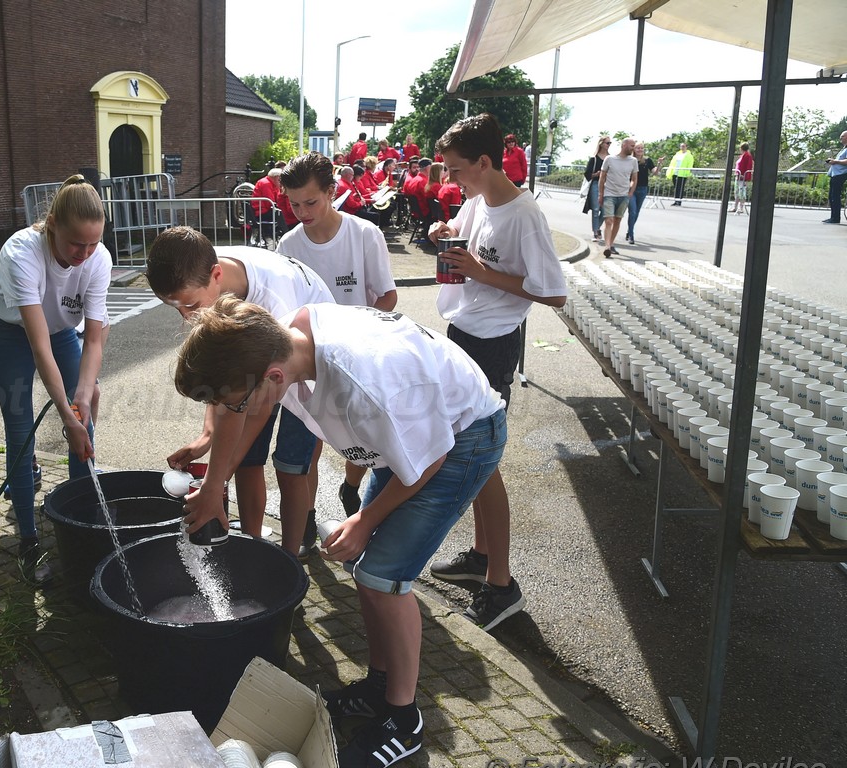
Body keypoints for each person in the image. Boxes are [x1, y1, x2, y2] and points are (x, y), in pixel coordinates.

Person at [172, 296, 506, 768]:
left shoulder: (361, 386)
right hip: (412, 432)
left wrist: (366, 519)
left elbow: (429, 459)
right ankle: (379, 684)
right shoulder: (279, 342)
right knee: (366, 568)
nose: (231, 412)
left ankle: (403, 720)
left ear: (273, 378)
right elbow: (236, 414)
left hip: (460, 439)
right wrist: (214, 484)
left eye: (234, 401)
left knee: (384, 577)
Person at [426, 113, 568, 631]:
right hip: (466, 330)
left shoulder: (524, 215)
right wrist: (444, 232)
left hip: (494, 342)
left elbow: (551, 291)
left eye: (456, 169)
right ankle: (483, 557)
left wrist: (482, 273)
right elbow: (461, 238)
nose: (450, 180)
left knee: (481, 459)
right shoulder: (479, 198)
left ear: (486, 162)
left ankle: (502, 586)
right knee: (472, 454)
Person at [145, 226, 333, 556]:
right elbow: (221, 377)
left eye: (189, 304)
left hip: (307, 369)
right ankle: (252, 548)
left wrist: (214, 483)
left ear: (216, 275)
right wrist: (207, 437)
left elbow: (250, 407)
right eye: (174, 307)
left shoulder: (274, 303)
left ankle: (288, 562)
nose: (187, 316)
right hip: (263, 358)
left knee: (291, 467)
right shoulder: (201, 269)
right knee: (247, 460)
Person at [0, 175, 110, 584]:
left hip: (63, 333)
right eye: (77, 243)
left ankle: (78, 524)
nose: (85, 253)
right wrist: (66, 418)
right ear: (53, 224)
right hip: (14, 334)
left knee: (85, 418)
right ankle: (27, 536)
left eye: (93, 244)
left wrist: (83, 396)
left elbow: (94, 337)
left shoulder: (98, 259)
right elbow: (38, 349)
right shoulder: (21, 253)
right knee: (20, 428)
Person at [277, 152, 399, 554]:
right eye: (294, 204)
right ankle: (307, 520)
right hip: (309, 364)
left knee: (367, 445)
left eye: (310, 202)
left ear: (332, 192)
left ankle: (355, 498)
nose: (301, 212)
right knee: (305, 452)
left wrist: (351, 337)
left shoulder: (364, 234)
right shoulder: (289, 244)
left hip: (358, 360)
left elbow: (387, 296)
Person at [598, 137, 638, 258]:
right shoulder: (609, 159)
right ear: (624, 145)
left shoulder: (633, 161)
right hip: (609, 194)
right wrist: (601, 193)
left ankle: (611, 243)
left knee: (617, 220)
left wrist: (630, 191)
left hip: (624, 195)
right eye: (631, 146)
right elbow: (602, 177)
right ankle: (607, 247)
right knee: (609, 220)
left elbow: (634, 179)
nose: (633, 148)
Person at [625, 142, 656, 245]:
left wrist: (660, 164)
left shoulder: (647, 161)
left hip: (642, 189)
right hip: (631, 189)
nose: (640, 150)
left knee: (636, 212)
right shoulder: (630, 160)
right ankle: (631, 235)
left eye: (641, 148)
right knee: (632, 211)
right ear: (634, 149)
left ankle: (629, 230)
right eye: (637, 148)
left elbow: (655, 172)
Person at [583, 136, 610, 242]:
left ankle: (597, 227)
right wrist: (597, 174)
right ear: (601, 144)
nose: (608, 145)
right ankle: (596, 232)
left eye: (610, 143)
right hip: (595, 184)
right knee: (596, 209)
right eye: (607, 143)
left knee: (605, 210)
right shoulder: (594, 159)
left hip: (607, 185)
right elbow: (587, 174)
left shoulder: (610, 158)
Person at [250, 167, 284, 245]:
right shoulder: (266, 184)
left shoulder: (268, 182)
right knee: (284, 215)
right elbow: (270, 202)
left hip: (262, 211)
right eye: (280, 178)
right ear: (276, 177)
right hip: (263, 212)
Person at [823, 130, 847, 224]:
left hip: (840, 174)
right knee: (832, 196)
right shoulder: (843, 149)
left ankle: (835, 218)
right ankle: (833, 217)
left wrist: (835, 161)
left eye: (843, 136)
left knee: (835, 196)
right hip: (835, 174)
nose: (840, 138)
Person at [733, 142, 754, 216]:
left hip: (742, 177)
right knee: (737, 191)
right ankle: (735, 207)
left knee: (741, 192)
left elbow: (749, 167)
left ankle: (741, 207)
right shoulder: (743, 155)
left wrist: (745, 176)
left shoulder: (747, 156)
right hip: (738, 176)